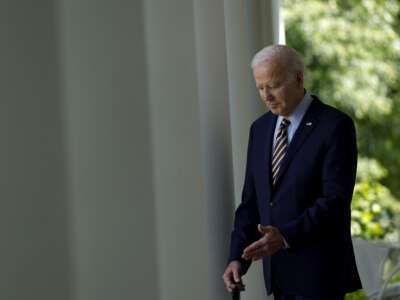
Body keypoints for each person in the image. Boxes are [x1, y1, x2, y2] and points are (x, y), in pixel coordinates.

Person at [222, 45, 362, 300]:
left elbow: (335, 202)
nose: (266, 96)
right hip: (278, 277)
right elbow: (252, 202)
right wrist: (237, 259)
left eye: (273, 86)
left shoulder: (335, 126)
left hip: (320, 277)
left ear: (298, 78)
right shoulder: (260, 129)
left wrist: (285, 236)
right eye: (260, 88)